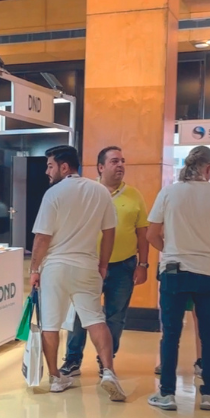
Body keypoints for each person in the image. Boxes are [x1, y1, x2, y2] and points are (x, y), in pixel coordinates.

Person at [146, 145, 210, 412]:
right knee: (209, 334)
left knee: (171, 333)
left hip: (174, 269)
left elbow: (152, 234)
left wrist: (172, 249)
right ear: (209, 168)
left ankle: (167, 393)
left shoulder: (169, 193)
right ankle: (208, 393)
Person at [29, 144, 124, 399]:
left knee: (51, 324)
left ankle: (55, 378)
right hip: (87, 266)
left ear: (64, 167)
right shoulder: (101, 191)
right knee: (96, 320)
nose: (47, 172)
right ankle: (108, 371)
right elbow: (109, 233)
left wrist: (34, 269)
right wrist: (103, 264)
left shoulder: (53, 194)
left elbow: (42, 237)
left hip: (55, 268)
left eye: (50, 166)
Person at [61, 146, 149, 379]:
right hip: (88, 265)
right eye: (114, 161)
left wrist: (143, 264)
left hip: (123, 267)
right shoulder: (87, 192)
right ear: (100, 167)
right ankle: (72, 360)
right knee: (80, 313)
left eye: (122, 161)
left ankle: (106, 362)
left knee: (115, 316)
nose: (120, 165)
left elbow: (142, 233)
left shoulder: (134, 195)